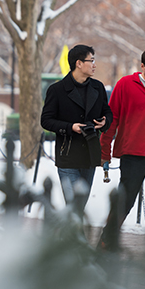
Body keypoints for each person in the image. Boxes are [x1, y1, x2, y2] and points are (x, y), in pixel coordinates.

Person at [97, 47, 145, 254]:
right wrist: (105, 152)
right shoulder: (124, 85)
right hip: (133, 155)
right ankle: (105, 244)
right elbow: (111, 121)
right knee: (124, 203)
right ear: (142, 66)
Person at [41, 44, 113, 209]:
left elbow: (107, 112)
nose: (94, 64)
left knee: (80, 205)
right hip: (68, 155)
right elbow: (46, 120)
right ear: (79, 63)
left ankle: (70, 235)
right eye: (91, 60)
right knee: (74, 205)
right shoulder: (57, 90)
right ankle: (73, 235)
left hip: (90, 154)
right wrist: (70, 127)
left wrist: (104, 122)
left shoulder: (98, 87)